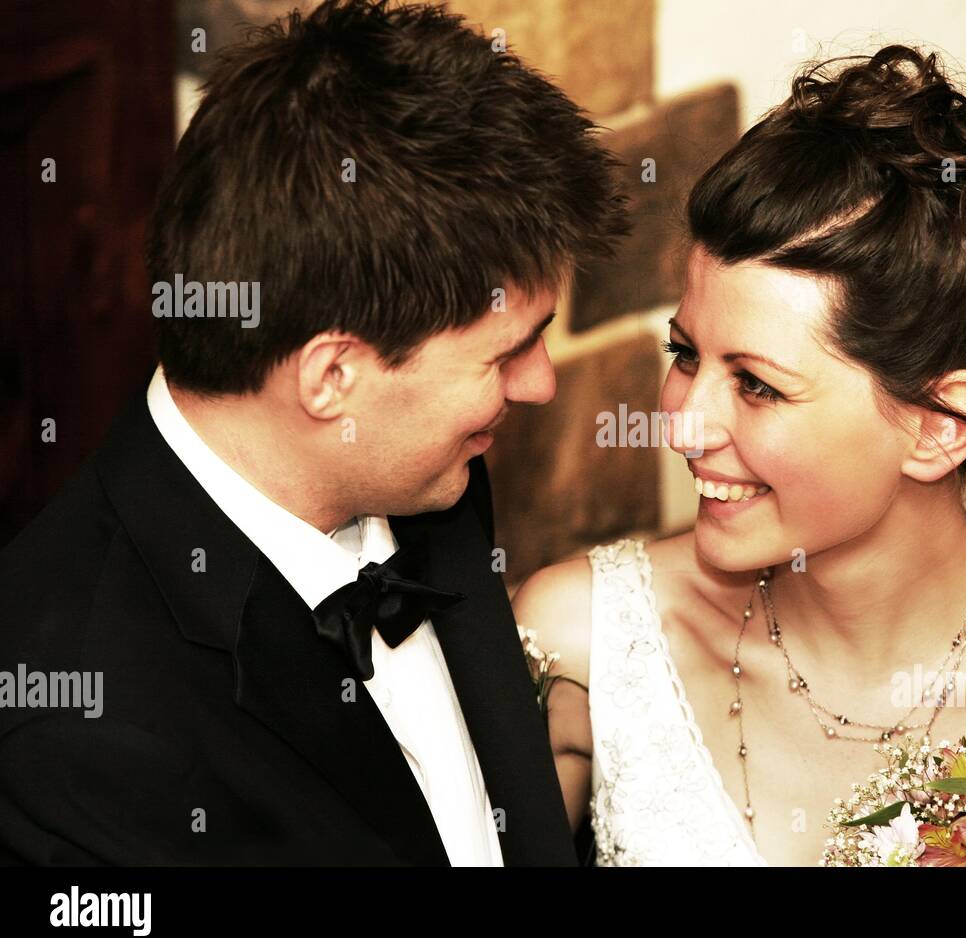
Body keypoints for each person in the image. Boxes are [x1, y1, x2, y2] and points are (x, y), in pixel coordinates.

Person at [513, 45, 966, 866]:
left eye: (755, 384)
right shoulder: (581, 641)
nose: (681, 424)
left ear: (937, 425)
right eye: (685, 354)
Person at [0, 0, 627, 865]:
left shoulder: (424, 462)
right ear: (333, 378)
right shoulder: (70, 734)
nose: (541, 384)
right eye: (509, 351)